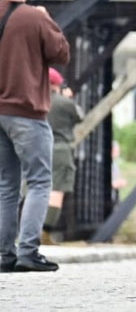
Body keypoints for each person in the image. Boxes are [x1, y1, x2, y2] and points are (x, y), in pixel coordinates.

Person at [0, 0, 71, 273]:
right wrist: (48, 19)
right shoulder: (34, 18)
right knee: (40, 182)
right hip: (28, 113)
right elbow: (62, 54)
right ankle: (28, 251)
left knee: (6, 185)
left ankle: (4, 254)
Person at [44, 69, 80, 240]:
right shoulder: (63, 103)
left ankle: (24, 229)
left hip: (37, 147)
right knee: (57, 190)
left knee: (31, 188)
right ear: (57, 84)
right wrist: (68, 99)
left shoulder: (33, 99)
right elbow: (80, 116)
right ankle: (45, 232)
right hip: (59, 148)